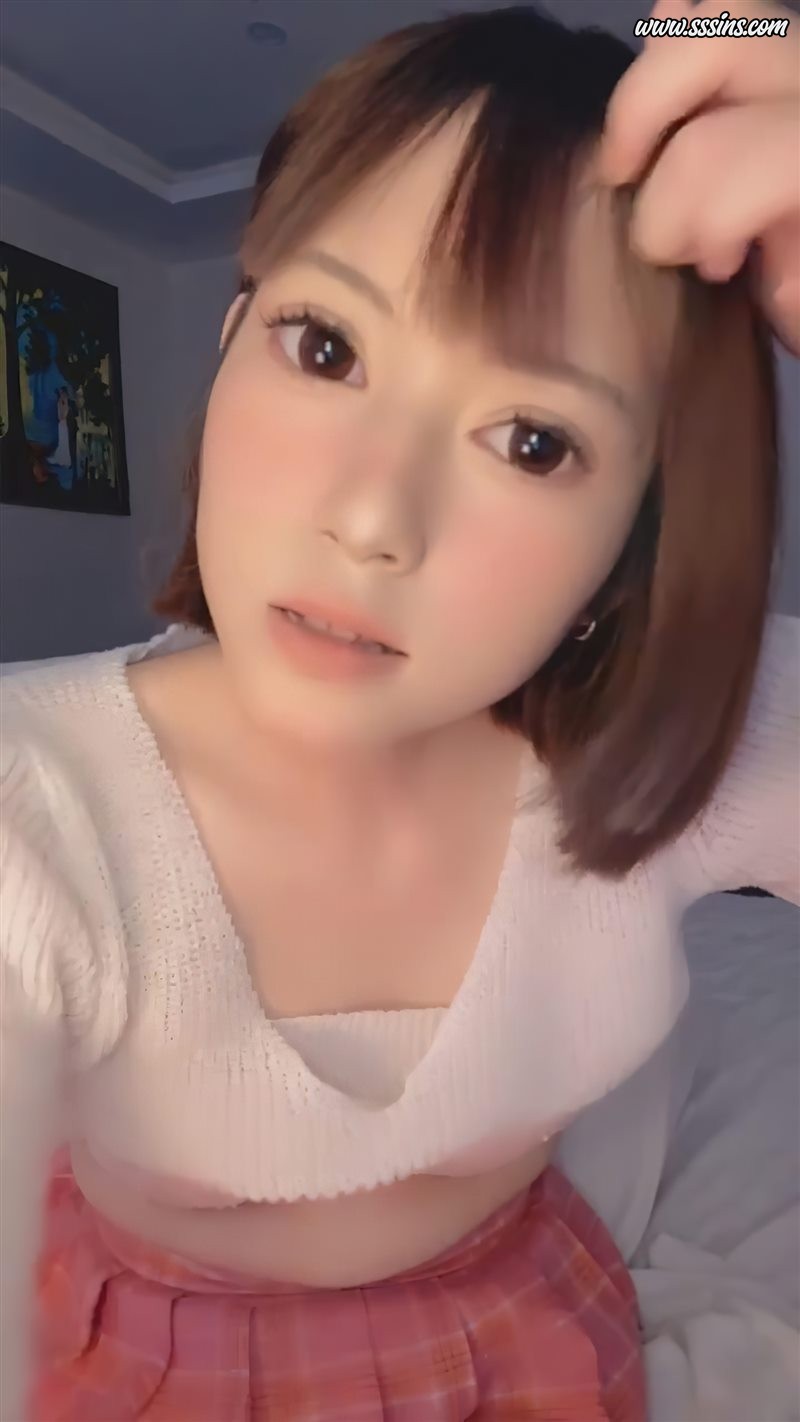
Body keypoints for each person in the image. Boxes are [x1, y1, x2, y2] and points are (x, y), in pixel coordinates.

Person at [1, 1, 798, 1417]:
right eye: (324, 348)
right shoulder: (37, 802)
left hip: (537, 1331)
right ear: (233, 336)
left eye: (533, 441)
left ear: (635, 542)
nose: (371, 518)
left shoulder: (677, 748)